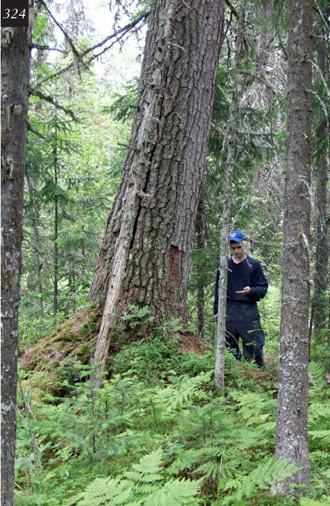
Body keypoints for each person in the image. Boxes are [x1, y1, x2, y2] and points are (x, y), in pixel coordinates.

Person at [214, 230, 268, 367]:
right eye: (233, 248)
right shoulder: (224, 265)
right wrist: (217, 314)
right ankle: (233, 380)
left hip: (248, 311)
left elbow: (263, 289)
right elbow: (218, 292)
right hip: (229, 311)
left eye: (239, 247)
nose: (236, 251)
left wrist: (251, 291)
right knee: (229, 351)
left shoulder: (253, 265)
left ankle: (259, 379)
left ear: (244, 244)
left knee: (254, 349)